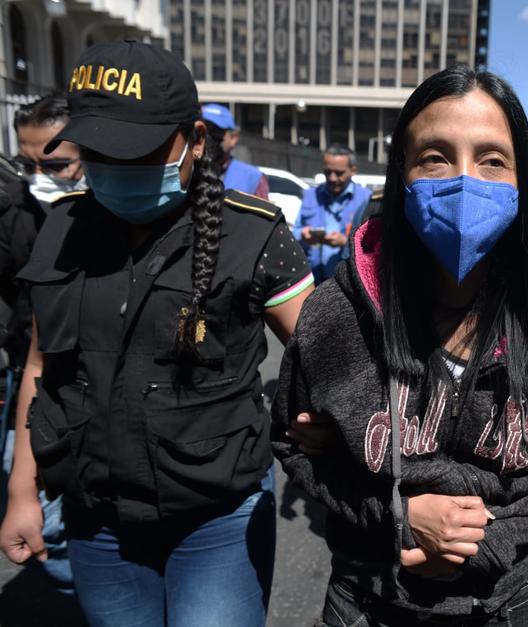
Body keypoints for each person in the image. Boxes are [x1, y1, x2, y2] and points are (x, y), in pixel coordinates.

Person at [274, 64, 528, 626]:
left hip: (510, 604)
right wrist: (395, 514)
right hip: (366, 599)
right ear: (401, 175)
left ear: (522, 180)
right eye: (434, 156)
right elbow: (292, 442)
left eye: (492, 159)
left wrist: (488, 539)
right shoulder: (336, 313)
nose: (464, 180)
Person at [0, 41, 313, 626]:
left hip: (218, 519)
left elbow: (326, 362)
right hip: (96, 519)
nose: (114, 170)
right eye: (97, 151)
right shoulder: (63, 226)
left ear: (195, 139)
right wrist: (22, 491)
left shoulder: (254, 234)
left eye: (135, 152)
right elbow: (42, 365)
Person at [0, 93, 86, 595]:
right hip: (33, 370)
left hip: (93, 384)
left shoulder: (111, 218)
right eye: (26, 163)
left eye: (53, 162)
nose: (39, 175)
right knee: (31, 494)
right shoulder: (18, 211)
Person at [292, 144, 373, 284]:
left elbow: (372, 245)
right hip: (314, 279)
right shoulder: (311, 195)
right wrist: (303, 236)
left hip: (349, 282)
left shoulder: (366, 199)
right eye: (327, 172)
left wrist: (346, 242)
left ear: (353, 170)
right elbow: (296, 233)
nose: (332, 178)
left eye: (339, 173)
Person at [200, 102, 270, 199]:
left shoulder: (253, 178)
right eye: (201, 131)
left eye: (215, 131)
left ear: (233, 138)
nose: (207, 137)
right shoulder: (188, 172)